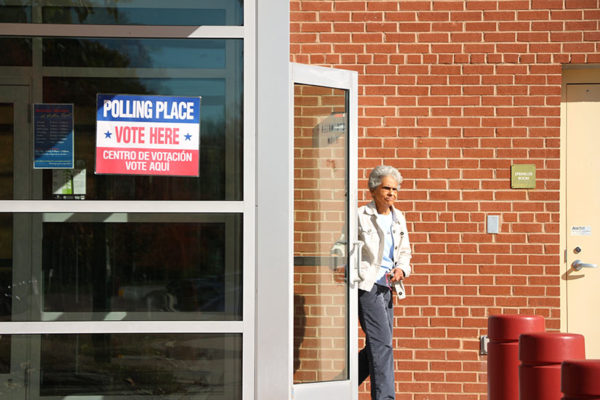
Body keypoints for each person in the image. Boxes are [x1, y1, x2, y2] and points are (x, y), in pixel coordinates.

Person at [358, 165, 411, 400]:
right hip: (367, 287)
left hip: (388, 287)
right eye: (386, 188)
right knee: (382, 345)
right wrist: (340, 263)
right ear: (374, 189)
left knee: (379, 345)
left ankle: (344, 382)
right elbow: (340, 244)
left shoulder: (399, 218)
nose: (391, 193)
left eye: (395, 189)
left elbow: (405, 252)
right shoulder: (360, 216)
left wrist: (402, 268)